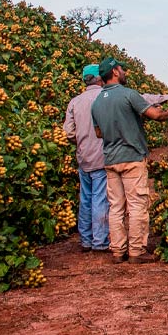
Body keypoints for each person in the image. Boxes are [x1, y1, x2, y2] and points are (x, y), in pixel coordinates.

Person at [90, 57, 168, 264]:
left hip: (110, 159)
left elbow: (99, 133)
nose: (124, 72)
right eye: (121, 69)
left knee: (116, 207)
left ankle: (118, 251)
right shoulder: (129, 95)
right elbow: (155, 115)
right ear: (114, 72)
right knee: (138, 205)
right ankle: (137, 251)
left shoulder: (96, 103)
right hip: (131, 158)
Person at [63, 64, 109, 253]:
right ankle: (99, 241)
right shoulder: (104, 97)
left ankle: (86, 240)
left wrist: (80, 142)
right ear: (100, 79)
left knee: (86, 198)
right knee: (100, 198)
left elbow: (68, 132)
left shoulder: (75, 101)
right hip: (101, 155)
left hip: (83, 157)